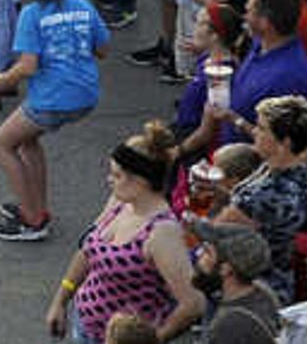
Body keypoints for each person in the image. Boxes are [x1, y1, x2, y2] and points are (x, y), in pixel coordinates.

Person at [0, 0, 110, 243]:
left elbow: (27, 66)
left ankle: (32, 219)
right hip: (85, 94)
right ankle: (37, 205)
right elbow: (102, 49)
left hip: (53, 97)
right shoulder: (83, 7)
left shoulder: (32, 15)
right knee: (27, 141)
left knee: (1, 143)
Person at [47, 122, 205, 341]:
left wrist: (152, 340)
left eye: (117, 175)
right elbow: (87, 251)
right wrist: (61, 299)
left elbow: (193, 303)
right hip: (85, 323)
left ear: (140, 180)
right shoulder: (120, 204)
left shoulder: (161, 233)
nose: (109, 180)